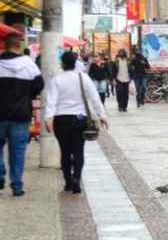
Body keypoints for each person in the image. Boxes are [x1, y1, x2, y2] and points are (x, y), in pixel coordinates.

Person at [44, 51, 108, 193]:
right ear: (75, 63)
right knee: (79, 151)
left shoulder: (57, 79)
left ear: (62, 64)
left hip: (61, 120)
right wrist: (102, 115)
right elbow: (94, 98)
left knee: (65, 152)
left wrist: (48, 118)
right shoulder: (83, 78)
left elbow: (51, 101)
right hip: (80, 119)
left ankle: (67, 181)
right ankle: (76, 180)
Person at [0, 33, 44, 197]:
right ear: (18, 46)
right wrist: (28, 96)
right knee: (17, 152)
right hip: (21, 115)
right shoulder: (29, 64)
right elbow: (39, 85)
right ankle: (16, 186)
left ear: (5, 46)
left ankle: (0, 174)